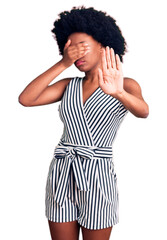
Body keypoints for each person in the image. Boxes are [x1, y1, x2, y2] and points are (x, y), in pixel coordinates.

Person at [18, 5, 149, 240]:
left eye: (82, 47)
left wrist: (118, 93)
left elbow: (143, 111)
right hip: (62, 171)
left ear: (103, 44)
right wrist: (62, 64)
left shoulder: (126, 84)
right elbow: (26, 99)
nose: (76, 54)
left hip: (97, 173)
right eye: (70, 49)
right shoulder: (69, 85)